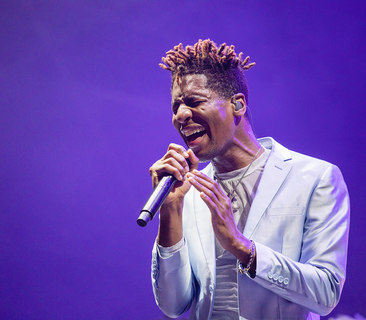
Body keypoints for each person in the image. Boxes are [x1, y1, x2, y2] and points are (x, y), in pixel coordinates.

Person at [149, 39, 350, 320]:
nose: (181, 116)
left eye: (194, 101)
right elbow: (173, 305)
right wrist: (170, 209)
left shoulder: (314, 178)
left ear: (238, 105)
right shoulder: (187, 190)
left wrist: (242, 247)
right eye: (175, 107)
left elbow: (326, 293)